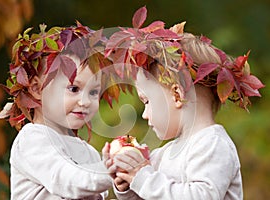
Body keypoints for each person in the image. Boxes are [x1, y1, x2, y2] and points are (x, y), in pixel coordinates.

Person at [102, 6, 264, 199]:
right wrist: (126, 184)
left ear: (177, 95)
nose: (144, 114)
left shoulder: (212, 145)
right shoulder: (163, 154)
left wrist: (143, 177)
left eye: (147, 101)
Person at [0, 23, 116, 199]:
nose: (85, 102)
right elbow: (67, 181)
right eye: (74, 89)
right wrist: (113, 170)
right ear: (37, 89)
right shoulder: (32, 139)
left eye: (93, 92)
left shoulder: (89, 152)